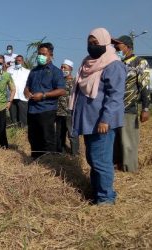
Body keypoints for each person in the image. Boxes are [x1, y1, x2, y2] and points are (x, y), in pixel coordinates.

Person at [69, 28, 126, 205]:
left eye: (96, 43)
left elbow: (115, 96)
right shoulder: (87, 63)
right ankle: (96, 192)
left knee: (101, 161)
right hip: (88, 121)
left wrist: (105, 119)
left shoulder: (113, 64)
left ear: (105, 42)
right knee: (93, 159)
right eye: (90, 43)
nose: (92, 46)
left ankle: (106, 198)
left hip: (101, 122)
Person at [111, 35, 150, 173]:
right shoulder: (116, 63)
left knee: (128, 143)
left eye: (118, 47)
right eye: (115, 48)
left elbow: (145, 86)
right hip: (113, 109)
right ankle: (116, 167)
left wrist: (145, 108)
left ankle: (130, 171)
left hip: (129, 107)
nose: (116, 50)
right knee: (115, 142)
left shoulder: (140, 62)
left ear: (127, 47)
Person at [24, 42, 66, 159]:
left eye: (44, 54)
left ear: (50, 55)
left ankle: (49, 163)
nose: (40, 56)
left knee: (47, 138)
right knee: (33, 137)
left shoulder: (56, 72)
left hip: (47, 109)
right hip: (32, 109)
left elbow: (61, 91)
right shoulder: (33, 71)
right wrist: (26, 91)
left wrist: (43, 95)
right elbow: (27, 86)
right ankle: (36, 160)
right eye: (39, 54)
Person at [56, 59, 79, 155]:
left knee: (72, 134)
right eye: (61, 67)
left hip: (70, 112)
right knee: (59, 134)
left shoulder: (75, 82)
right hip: (59, 112)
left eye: (64, 67)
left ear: (71, 69)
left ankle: (75, 154)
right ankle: (60, 152)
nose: (62, 69)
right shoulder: (59, 81)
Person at [7, 55, 29, 127]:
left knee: (23, 118)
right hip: (12, 97)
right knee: (13, 118)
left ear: (22, 61)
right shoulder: (9, 71)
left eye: (19, 60)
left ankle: (23, 134)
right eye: (16, 60)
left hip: (22, 97)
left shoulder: (27, 72)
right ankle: (15, 134)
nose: (17, 61)